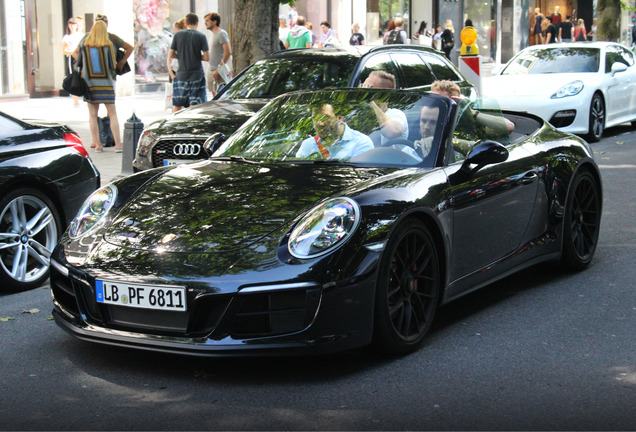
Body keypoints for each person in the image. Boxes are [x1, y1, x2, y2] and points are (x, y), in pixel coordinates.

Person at [77, 20, 121, 153]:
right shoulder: (107, 45)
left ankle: (97, 145)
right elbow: (111, 65)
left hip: (90, 84)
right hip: (106, 84)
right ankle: (118, 144)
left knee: (92, 115)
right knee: (112, 114)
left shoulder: (84, 45)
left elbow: (79, 62)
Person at [296, 103, 373, 159]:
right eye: (315, 118)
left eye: (325, 118)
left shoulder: (361, 143)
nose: (319, 123)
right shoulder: (307, 145)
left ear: (339, 118)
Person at [168, 13, 209, 113]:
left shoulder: (178, 35)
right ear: (197, 23)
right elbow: (207, 57)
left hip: (181, 75)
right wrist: (195, 55)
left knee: (177, 104)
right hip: (197, 75)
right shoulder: (201, 36)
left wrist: (182, 55)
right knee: (195, 105)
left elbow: (171, 54)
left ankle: (174, 125)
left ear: (186, 22)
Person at [204, 12, 231, 95]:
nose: (205, 23)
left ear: (214, 22)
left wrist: (219, 68)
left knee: (221, 96)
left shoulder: (221, 34)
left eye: (207, 20)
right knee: (214, 96)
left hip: (219, 71)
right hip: (211, 69)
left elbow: (228, 52)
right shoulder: (212, 35)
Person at [62, 17, 84, 107]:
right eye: (70, 25)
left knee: (83, 76)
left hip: (81, 58)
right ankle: (75, 101)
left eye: (74, 25)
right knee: (74, 77)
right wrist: (73, 52)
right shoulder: (67, 37)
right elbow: (64, 50)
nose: (72, 27)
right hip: (72, 59)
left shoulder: (82, 36)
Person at [168, 18, 186, 82]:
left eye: (176, 29)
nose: (174, 31)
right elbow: (169, 57)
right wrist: (171, 73)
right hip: (175, 69)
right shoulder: (175, 40)